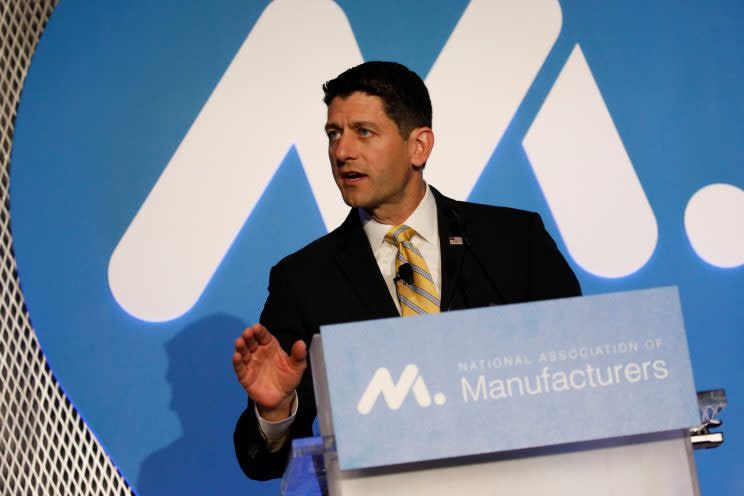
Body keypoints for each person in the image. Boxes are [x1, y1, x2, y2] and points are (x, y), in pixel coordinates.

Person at [232, 61, 581, 481]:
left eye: (364, 131)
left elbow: (577, 371)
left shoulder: (512, 242)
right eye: (333, 134)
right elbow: (261, 462)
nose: (342, 152)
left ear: (419, 146)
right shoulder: (303, 279)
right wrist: (275, 411)